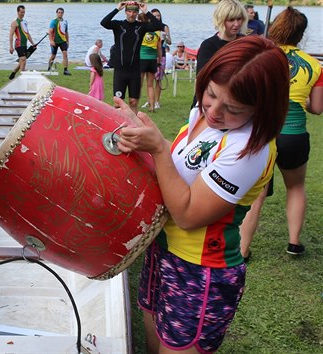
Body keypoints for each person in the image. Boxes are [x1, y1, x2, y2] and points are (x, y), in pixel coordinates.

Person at [116, 36, 289, 354]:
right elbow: (186, 164)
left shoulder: (248, 149)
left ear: (262, 109)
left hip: (200, 271)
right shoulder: (203, 114)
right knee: (152, 336)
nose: (214, 111)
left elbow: (187, 214)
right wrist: (144, 130)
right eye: (210, 94)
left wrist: (156, 149)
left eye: (233, 109)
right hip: (162, 249)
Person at [240, 7, 323, 259]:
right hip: (294, 134)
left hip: (264, 131)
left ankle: (242, 249)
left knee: (257, 192)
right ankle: (294, 242)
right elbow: (318, 108)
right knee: (295, 186)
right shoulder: (313, 64)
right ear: (301, 33)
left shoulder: (264, 56)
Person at [100, 1, 162, 113]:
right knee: (118, 102)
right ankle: (119, 127)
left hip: (135, 71)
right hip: (120, 71)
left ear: (137, 13)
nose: (132, 14)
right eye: (129, 11)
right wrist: (117, 9)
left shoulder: (141, 27)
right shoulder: (118, 25)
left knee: (133, 101)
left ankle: (133, 126)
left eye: (134, 12)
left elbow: (159, 26)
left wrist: (146, 11)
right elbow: (104, 22)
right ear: (125, 12)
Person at [192, 0, 247, 108]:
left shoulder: (246, 43)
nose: (236, 24)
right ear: (221, 20)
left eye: (239, 19)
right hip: (210, 104)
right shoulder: (208, 46)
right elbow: (203, 79)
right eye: (231, 20)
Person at [138, 13, 162, 112]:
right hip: (152, 59)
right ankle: (152, 106)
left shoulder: (141, 30)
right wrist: (159, 60)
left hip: (142, 58)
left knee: (138, 84)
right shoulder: (157, 32)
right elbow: (159, 47)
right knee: (150, 85)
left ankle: (135, 103)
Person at [9, 5, 37, 80]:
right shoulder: (15, 22)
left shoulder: (25, 22)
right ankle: (22, 78)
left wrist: (32, 43)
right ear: (18, 12)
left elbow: (28, 34)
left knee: (22, 60)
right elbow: (11, 35)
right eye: (21, 12)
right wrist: (11, 47)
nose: (23, 14)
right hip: (18, 44)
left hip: (24, 45)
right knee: (23, 59)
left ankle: (13, 73)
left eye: (24, 12)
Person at [151, 8, 170, 110]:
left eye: (158, 15)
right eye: (154, 16)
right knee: (150, 79)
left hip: (161, 54)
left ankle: (157, 102)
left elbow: (170, 42)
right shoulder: (148, 27)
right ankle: (150, 100)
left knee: (158, 79)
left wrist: (166, 37)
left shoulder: (164, 27)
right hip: (150, 54)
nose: (156, 17)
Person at [47, 8, 71, 76]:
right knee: (53, 56)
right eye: (59, 12)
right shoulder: (53, 21)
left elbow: (66, 32)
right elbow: (50, 32)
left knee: (65, 54)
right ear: (57, 13)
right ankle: (49, 68)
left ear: (63, 13)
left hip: (63, 41)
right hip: (55, 41)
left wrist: (67, 41)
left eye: (61, 12)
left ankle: (65, 70)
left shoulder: (65, 22)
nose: (60, 14)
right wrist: (51, 41)